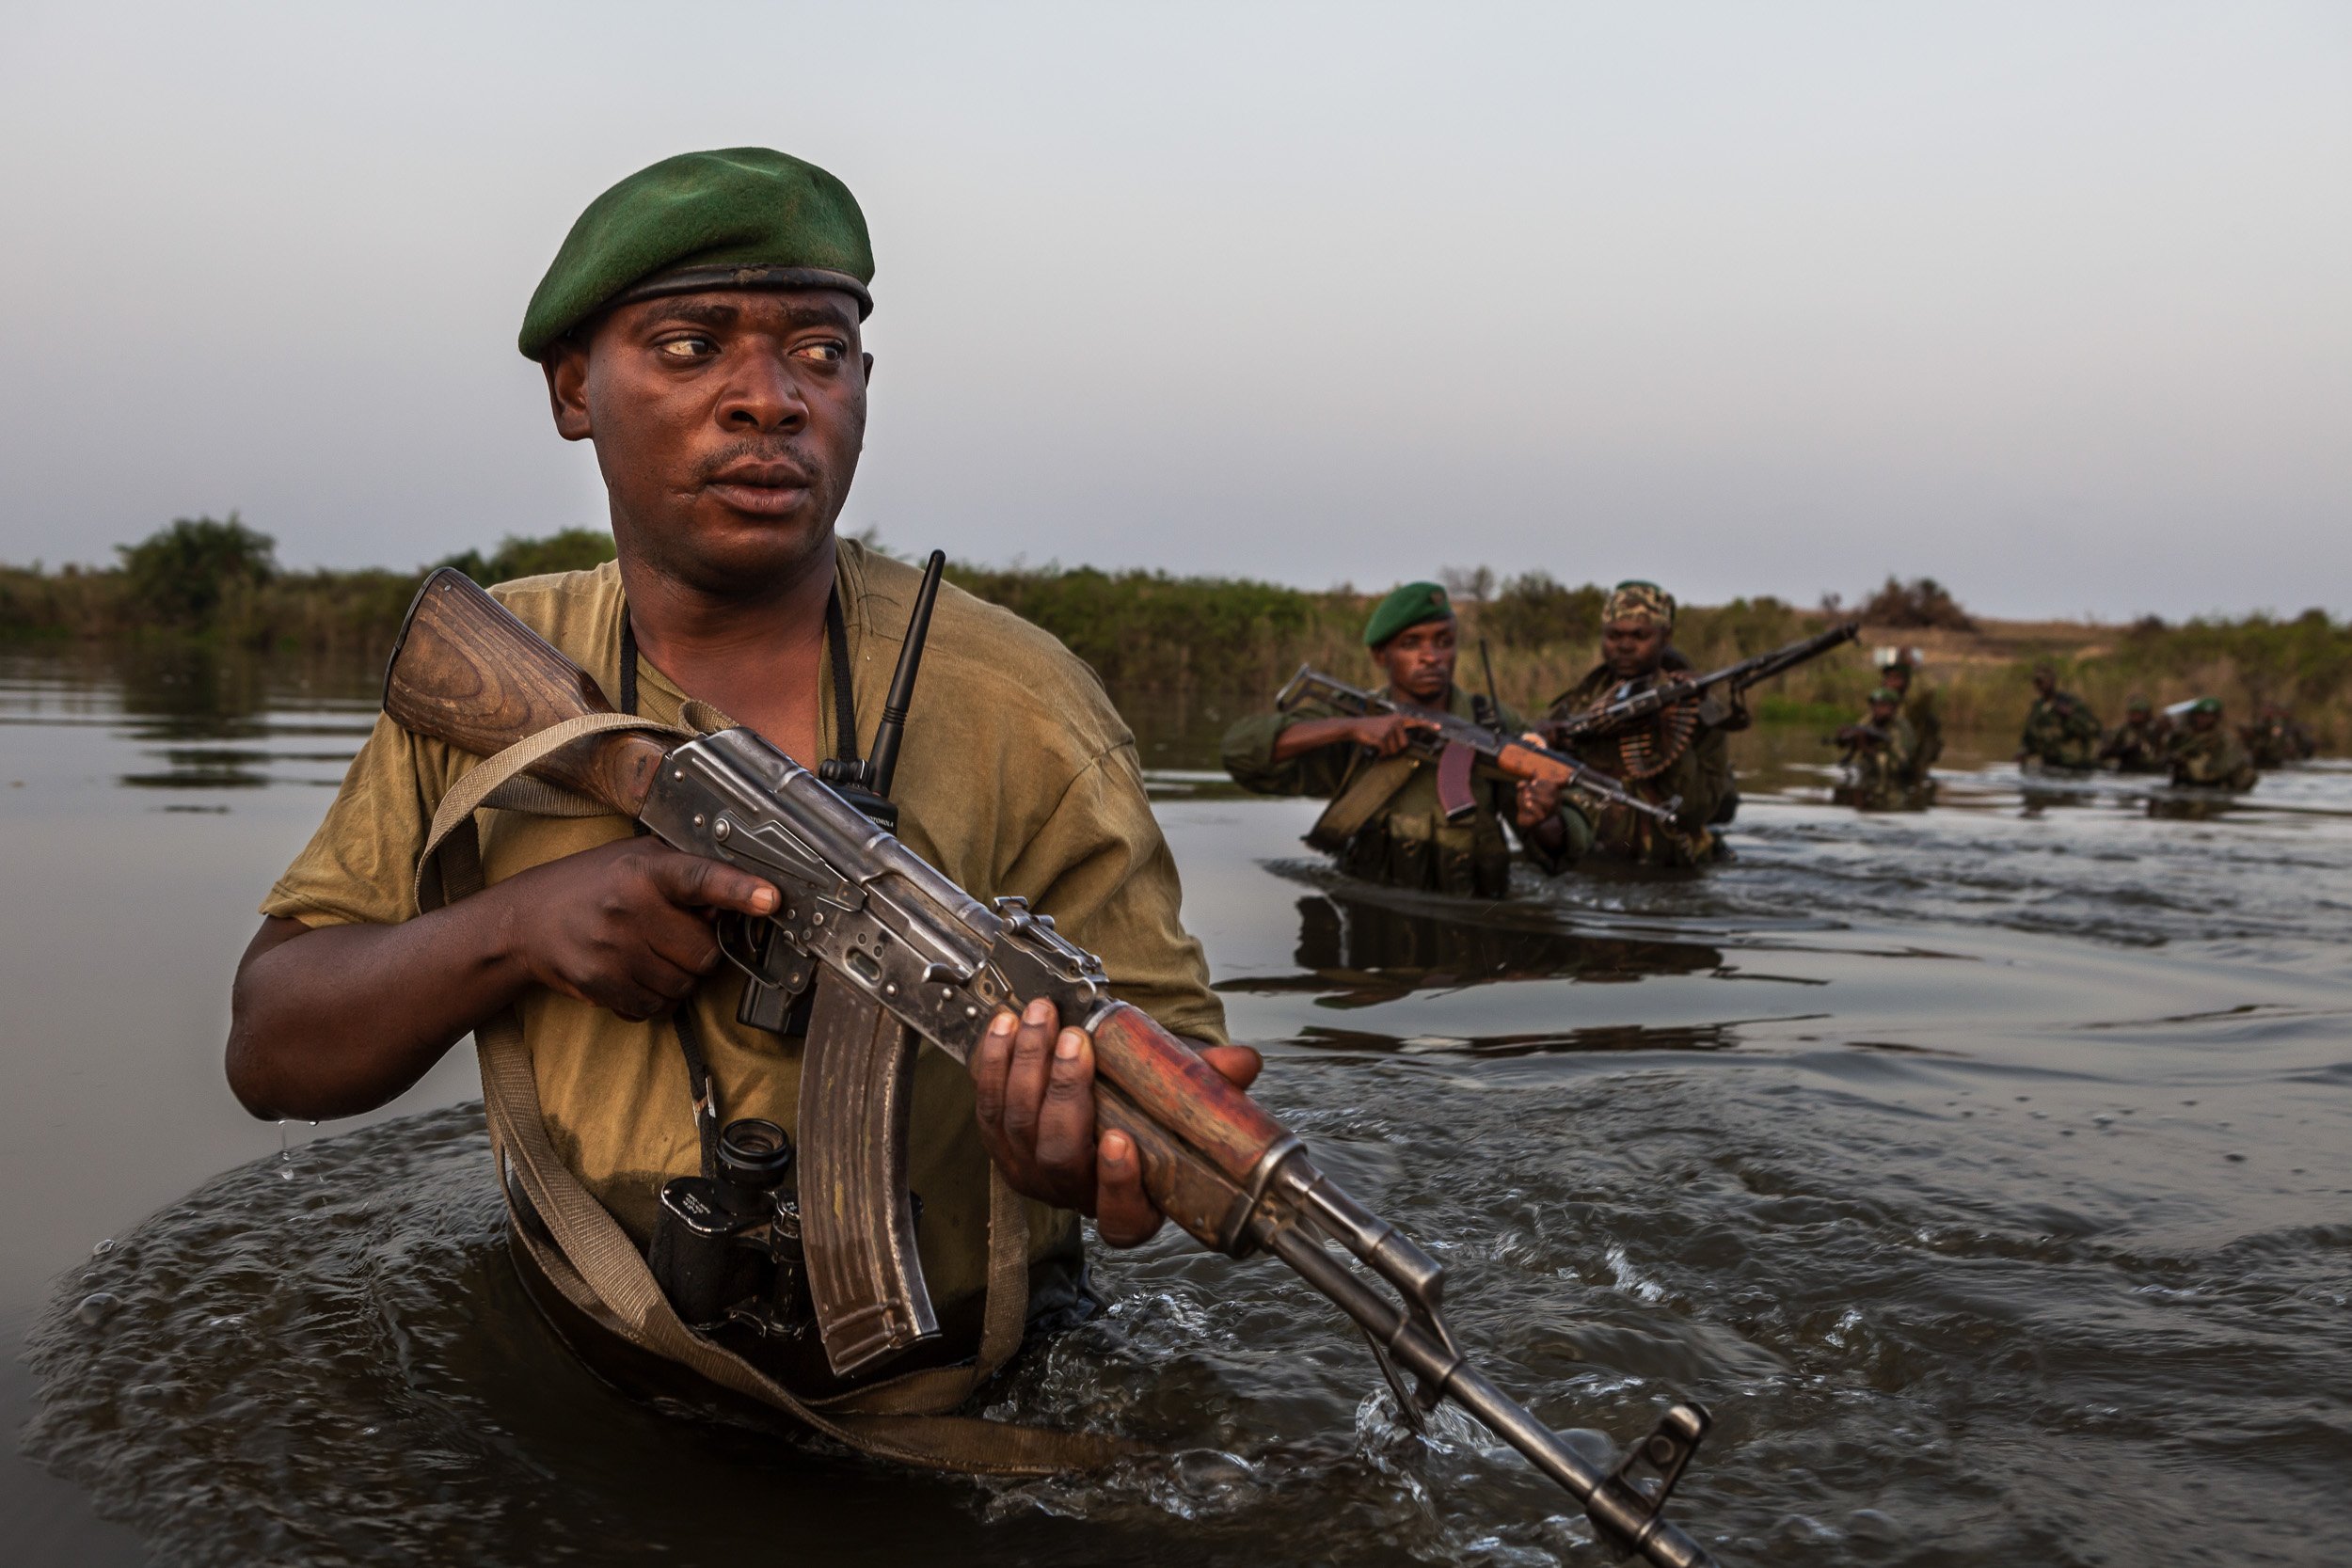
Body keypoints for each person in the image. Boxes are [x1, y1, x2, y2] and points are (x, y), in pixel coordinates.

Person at [224, 149, 1260, 1399]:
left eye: (818, 353)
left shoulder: (1022, 705)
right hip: (591, 1345)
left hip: (959, 1376)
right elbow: (272, 1048)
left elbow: (1172, 1094)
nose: (767, 398)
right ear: (573, 388)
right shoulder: (500, 675)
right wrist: (518, 927)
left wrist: (1079, 1150)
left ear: (864, 389)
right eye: (690, 344)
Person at [1220, 581, 1585, 895]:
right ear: (1381, 655)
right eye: (1412, 643)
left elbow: (1563, 850)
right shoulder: (1354, 715)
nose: (1431, 657)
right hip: (1367, 911)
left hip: (1469, 926)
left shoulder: (1491, 721)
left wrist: (1544, 820)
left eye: (1444, 642)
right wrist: (1351, 729)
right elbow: (1241, 751)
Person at [1544, 580, 1743, 865]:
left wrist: (1665, 727)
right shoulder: (1579, 705)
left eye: (1640, 635)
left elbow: (1696, 810)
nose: (1625, 646)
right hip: (1595, 862)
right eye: (1614, 635)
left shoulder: (1699, 710)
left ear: (1666, 637)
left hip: (1670, 866)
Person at [1832, 688, 1928, 810]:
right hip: (1868, 776)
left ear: (1893, 708)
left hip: (1898, 783)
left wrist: (1866, 749)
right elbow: (1857, 741)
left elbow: (1901, 766)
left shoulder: (1902, 729)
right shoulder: (1868, 721)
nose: (1877, 709)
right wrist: (1847, 740)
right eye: (1874, 705)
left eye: (1883, 705)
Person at [1874, 646, 1942, 786]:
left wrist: (1915, 666)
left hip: (1910, 771)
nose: (1890, 683)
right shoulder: (1879, 705)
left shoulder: (1911, 707)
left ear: (1906, 683)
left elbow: (1928, 690)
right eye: (1888, 678)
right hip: (1887, 767)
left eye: (1896, 678)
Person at [2016, 664, 2102, 770]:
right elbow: (2028, 736)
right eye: (2036, 682)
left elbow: (2095, 729)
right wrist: (2022, 751)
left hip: (2074, 764)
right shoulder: (2037, 708)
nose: (2039, 686)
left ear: (2052, 681)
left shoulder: (2071, 703)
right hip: (2049, 763)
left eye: (2042, 682)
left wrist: (2070, 716)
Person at [2169, 697, 2258, 790]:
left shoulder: (2226, 740)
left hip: (2219, 787)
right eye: (2200, 715)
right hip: (2191, 786)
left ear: (2216, 717)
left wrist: (2186, 764)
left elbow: (2219, 769)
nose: (2202, 719)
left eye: (2207, 716)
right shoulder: (2186, 737)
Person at [2099, 696, 2171, 773]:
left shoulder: (2156, 728)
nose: (2135, 717)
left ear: (2146, 714)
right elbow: (2104, 753)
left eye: (2138, 713)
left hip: (2153, 769)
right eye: (2132, 713)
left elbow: (2166, 746)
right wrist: (2125, 750)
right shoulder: (2122, 730)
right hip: (2129, 769)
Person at [2240, 700, 2319, 768]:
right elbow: (2257, 729)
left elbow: (2276, 739)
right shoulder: (2263, 722)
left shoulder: (2277, 724)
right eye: (2264, 709)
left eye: (2268, 710)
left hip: (2273, 757)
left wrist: (2260, 747)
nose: (2266, 712)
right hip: (2265, 755)